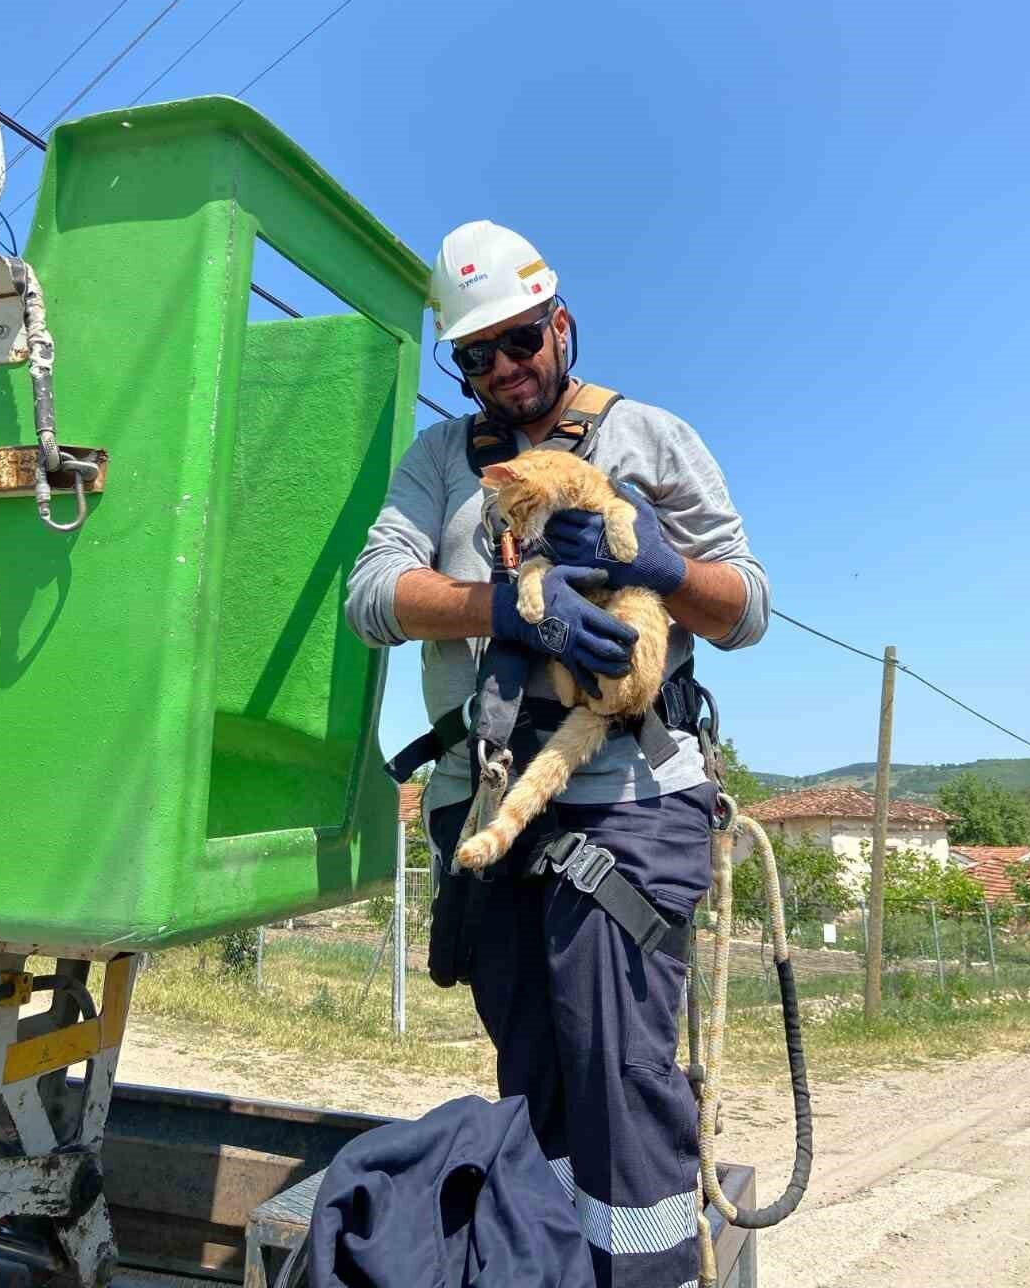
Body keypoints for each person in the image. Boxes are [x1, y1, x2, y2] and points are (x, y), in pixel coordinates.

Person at [345, 219, 768, 1288]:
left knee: (619, 1075)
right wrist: (501, 606)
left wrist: (661, 565)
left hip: (629, 799)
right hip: (492, 800)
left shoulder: (650, 439)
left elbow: (746, 607)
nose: (502, 368)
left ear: (561, 324)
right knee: (531, 1073)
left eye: (520, 340)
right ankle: (547, 1265)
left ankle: (647, 1272)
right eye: (474, 355)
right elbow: (371, 596)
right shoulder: (442, 462)